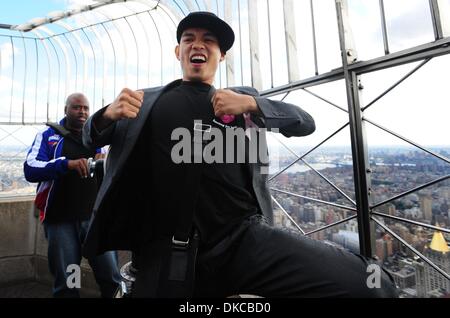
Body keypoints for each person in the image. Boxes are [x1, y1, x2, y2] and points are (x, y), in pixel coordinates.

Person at [82, 12, 398, 298]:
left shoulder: (241, 98)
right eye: (189, 39)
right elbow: (88, 138)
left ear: (222, 55)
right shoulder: (143, 102)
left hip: (244, 239)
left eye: (209, 41)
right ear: (178, 52)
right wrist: (106, 115)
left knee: (372, 285)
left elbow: (304, 123)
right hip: (163, 250)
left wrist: (253, 106)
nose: (198, 45)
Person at [24, 93, 121, 298]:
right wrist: (66, 164)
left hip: (94, 220)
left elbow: (110, 172)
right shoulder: (48, 136)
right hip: (61, 222)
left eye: (86, 108)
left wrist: (105, 159)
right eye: (76, 107)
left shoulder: (96, 137)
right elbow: (30, 169)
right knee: (70, 280)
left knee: (111, 277)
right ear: (66, 109)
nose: (82, 112)